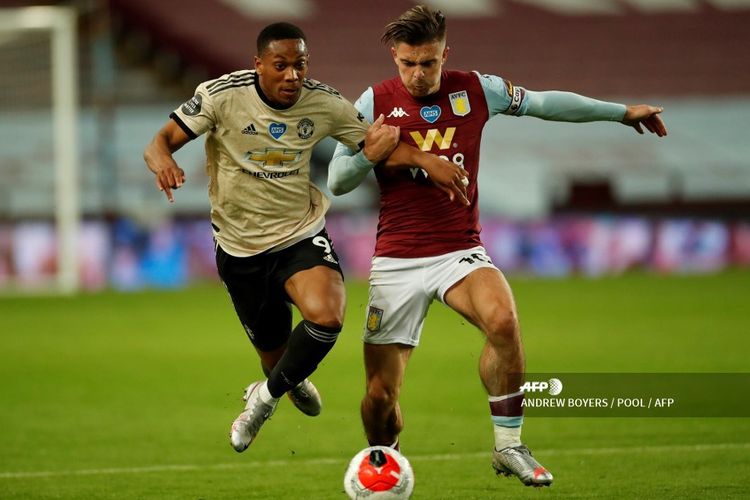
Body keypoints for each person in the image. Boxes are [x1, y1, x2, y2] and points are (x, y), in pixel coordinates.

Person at [328, 5, 667, 487]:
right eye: (408, 63)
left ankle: (509, 445)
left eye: (428, 62)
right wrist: (368, 154)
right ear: (393, 56)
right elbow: (337, 180)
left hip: (458, 250)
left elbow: (546, 103)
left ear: (446, 53)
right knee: (380, 397)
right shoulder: (372, 101)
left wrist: (620, 112)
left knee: (503, 321)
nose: (418, 74)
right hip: (396, 261)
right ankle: (386, 465)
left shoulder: (475, 89)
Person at [143, 22, 466, 453]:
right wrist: (163, 160)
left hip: (299, 234)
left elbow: (378, 144)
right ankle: (283, 378)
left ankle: (263, 400)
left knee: (328, 316)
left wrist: (427, 160)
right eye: (281, 66)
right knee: (277, 357)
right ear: (259, 65)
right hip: (240, 250)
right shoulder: (221, 96)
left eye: (300, 65)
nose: (293, 75)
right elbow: (159, 142)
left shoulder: (324, 102)